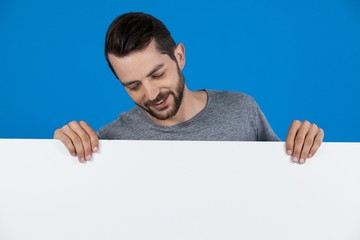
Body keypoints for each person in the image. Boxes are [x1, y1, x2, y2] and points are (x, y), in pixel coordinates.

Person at [54, 12, 324, 164]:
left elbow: (288, 181)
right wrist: (59, 150)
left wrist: (305, 144)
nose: (150, 94)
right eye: (133, 86)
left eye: (157, 74)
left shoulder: (242, 110)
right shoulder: (112, 140)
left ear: (179, 57)